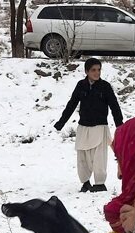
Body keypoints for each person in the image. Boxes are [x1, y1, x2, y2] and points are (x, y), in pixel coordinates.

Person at [54, 58, 124, 193]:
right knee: (82, 156)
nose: (97, 73)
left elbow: (115, 107)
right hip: (84, 127)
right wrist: (61, 123)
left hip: (100, 127)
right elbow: (72, 104)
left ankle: (99, 183)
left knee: (99, 158)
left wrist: (120, 126)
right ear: (86, 71)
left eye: (99, 70)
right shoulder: (81, 85)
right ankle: (85, 182)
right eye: (93, 70)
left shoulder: (105, 87)